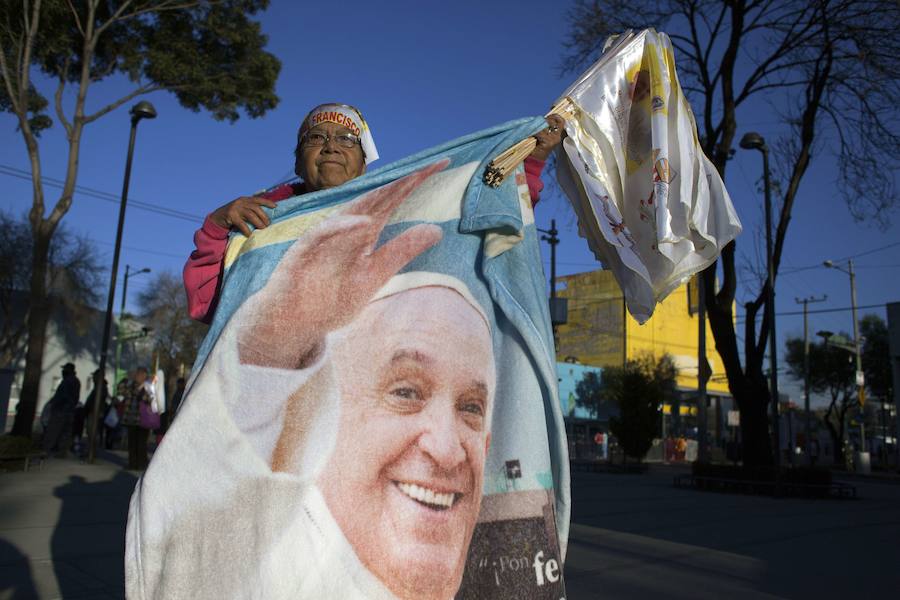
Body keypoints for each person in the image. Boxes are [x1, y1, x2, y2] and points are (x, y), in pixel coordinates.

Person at [182, 102, 565, 323]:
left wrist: (531, 160)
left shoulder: (400, 210)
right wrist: (217, 227)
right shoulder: (259, 218)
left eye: (347, 140)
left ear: (365, 165)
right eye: (317, 138)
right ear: (298, 162)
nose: (331, 146)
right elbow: (208, 303)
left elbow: (480, 218)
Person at [42, 363, 81, 457]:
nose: (62, 371)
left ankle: (45, 452)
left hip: (61, 411)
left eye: (64, 369)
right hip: (70, 411)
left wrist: (54, 404)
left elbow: (62, 396)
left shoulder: (67, 381)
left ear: (68, 370)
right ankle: (61, 452)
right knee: (65, 434)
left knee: (53, 432)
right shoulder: (76, 381)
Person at [120, 367, 154, 470]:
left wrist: (141, 393)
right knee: (132, 443)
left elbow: (151, 400)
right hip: (131, 418)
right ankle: (132, 463)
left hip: (143, 419)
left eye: (140, 374)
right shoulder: (131, 386)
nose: (137, 376)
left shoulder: (148, 387)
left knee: (141, 443)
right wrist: (125, 379)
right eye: (137, 374)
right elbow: (121, 391)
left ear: (144, 376)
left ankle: (141, 463)